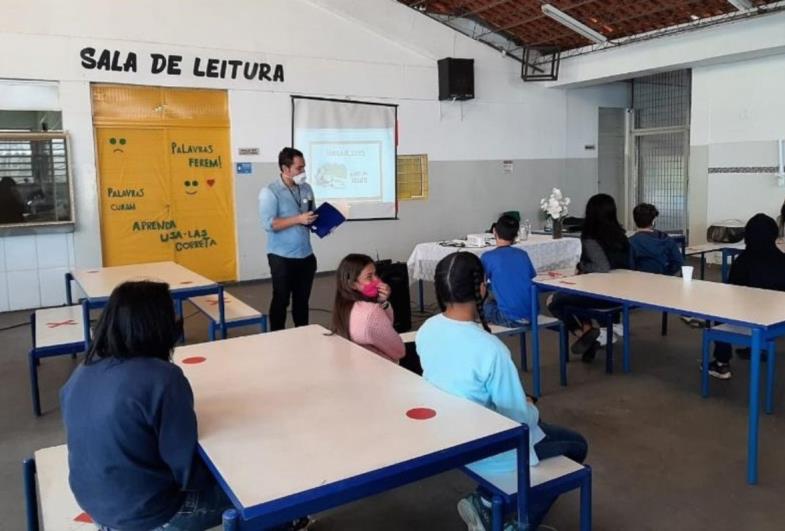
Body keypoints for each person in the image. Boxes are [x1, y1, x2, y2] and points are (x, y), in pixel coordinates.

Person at [416, 252, 588, 531]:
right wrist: (532, 406)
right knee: (576, 445)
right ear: (482, 287)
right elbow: (518, 420)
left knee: (547, 430)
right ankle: (515, 522)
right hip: (492, 448)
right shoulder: (490, 349)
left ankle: (485, 502)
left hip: (449, 433)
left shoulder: (426, 329)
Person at [59, 281, 231, 531]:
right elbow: (187, 472)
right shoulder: (164, 378)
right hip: (150, 514)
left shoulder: (83, 370)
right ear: (157, 325)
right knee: (257, 487)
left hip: (95, 503)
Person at [547, 193, 632, 362]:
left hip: (604, 295)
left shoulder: (591, 237)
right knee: (575, 296)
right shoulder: (621, 235)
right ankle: (588, 333)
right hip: (624, 293)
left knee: (554, 300)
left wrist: (582, 267)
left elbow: (601, 267)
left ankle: (583, 334)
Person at [706, 213, 785, 380]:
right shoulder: (782, 260)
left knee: (719, 313)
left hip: (750, 321)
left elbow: (732, 295)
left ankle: (721, 363)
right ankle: (759, 349)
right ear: (774, 235)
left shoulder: (742, 263)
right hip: (778, 322)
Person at [259, 147, 318, 331]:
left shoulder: (306, 188)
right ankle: (277, 335)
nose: (303, 172)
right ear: (285, 169)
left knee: (302, 300)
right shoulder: (270, 192)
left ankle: (303, 333)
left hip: (306, 255)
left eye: (304, 167)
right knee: (281, 299)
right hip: (281, 257)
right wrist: (298, 219)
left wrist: (321, 224)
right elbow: (269, 224)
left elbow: (311, 214)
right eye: (299, 168)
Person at [331, 253, 405, 363]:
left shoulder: (343, 307)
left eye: (376, 274)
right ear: (352, 284)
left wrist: (382, 302)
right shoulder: (371, 312)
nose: (377, 280)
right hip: (385, 371)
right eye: (369, 277)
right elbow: (399, 351)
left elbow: (384, 326)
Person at [482, 214, 536, 327]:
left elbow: (481, 287)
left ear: (494, 231)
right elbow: (529, 278)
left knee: (480, 305)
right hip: (531, 315)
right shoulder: (523, 255)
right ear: (516, 235)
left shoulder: (488, 257)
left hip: (508, 317)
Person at [629, 203, 683, 275]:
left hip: (639, 282)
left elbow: (628, 267)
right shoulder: (667, 239)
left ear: (635, 221)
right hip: (665, 281)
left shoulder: (631, 242)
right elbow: (678, 263)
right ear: (653, 221)